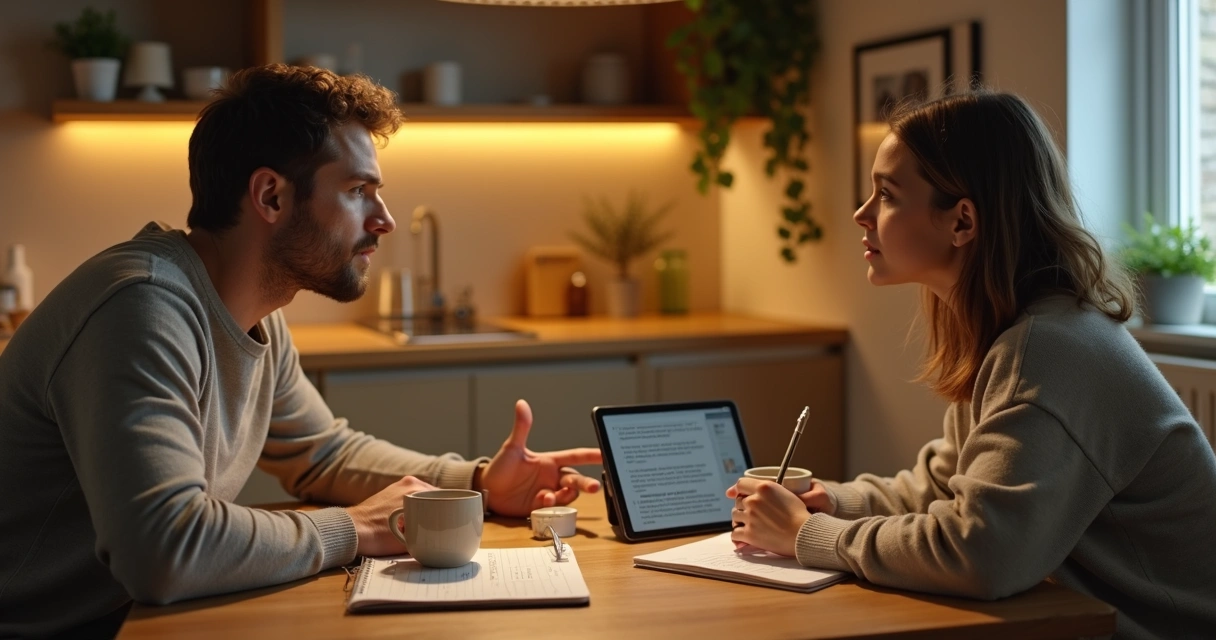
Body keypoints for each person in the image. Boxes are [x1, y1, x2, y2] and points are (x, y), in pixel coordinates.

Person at [0, 64, 601, 638]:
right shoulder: (142, 307)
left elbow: (323, 454)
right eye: (358, 190)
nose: (384, 219)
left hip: (132, 615)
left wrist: (473, 484)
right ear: (270, 196)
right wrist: (354, 529)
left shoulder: (256, 310)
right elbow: (164, 549)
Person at [728, 90, 1216, 638]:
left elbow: (984, 552)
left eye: (886, 194)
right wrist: (829, 501)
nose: (861, 214)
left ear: (962, 222)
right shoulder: (1018, 332)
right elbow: (942, 488)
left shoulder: (1049, 351)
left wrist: (809, 536)